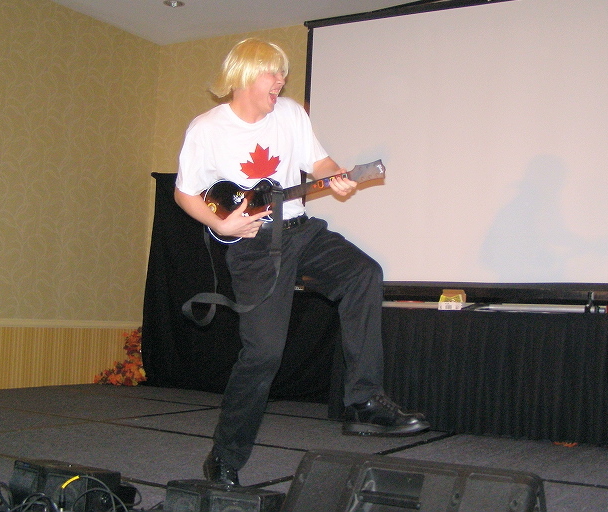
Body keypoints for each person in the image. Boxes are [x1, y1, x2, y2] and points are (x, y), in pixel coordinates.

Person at [174, 38, 429, 486]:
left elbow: (319, 162)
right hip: (254, 245)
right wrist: (224, 225)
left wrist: (337, 176)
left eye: (283, 73)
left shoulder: (291, 114)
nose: (282, 81)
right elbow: (184, 193)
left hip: (301, 229)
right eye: (273, 73)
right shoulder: (207, 129)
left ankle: (364, 400)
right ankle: (224, 457)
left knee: (363, 273)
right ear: (244, 75)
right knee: (263, 354)